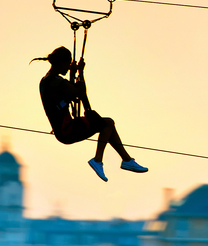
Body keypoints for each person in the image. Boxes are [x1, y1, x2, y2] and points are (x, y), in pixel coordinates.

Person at [32, 46, 148, 182]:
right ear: (61, 62)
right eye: (68, 64)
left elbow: (72, 94)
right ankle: (99, 159)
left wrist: (74, 75)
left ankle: (126, 160)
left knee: (107, 124)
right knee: (107, 124)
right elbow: (80, 93)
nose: (69, 68)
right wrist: (81, 73)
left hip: (64, 129)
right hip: (67, 130)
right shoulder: (56, 82)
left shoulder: (47, 81)